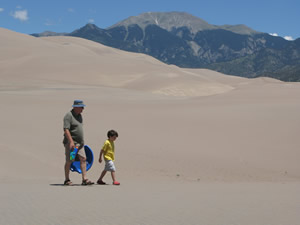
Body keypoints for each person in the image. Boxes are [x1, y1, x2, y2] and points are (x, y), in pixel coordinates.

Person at [63, 100, 94, 186]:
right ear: (75, 107)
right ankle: (67, 179)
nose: (83, 109)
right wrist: (71, 142)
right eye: (81, 107)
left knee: (83, 159)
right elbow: (66, 129)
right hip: (73, 144)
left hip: (80, 144)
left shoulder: (79, 116)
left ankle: (84, 179)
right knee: (70, 160)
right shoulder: (68, 116)